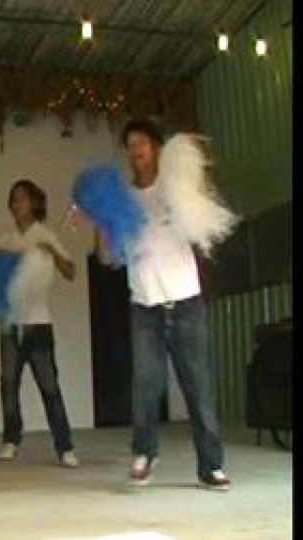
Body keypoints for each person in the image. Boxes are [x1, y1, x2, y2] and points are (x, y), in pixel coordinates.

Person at [97, 118, 230, 491]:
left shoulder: (176, 188)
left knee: (198, 388)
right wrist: (103, 222)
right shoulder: (123, 200)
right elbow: (106, 257)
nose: (135, 149)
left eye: (142, 142)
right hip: (144, 307)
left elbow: (202, 227)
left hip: (186, 303)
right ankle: (144, 453)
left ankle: (211, 465)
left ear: (157, 148)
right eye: (130, 144)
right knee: (145, 385)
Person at [0, 179, 79, 468]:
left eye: (22, 198)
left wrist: (53, 252)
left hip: (38, 323)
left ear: (35, 202)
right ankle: (11, 439)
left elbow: (71, 271)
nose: (17, 204)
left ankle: (65, 446)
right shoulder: (6, 240)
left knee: (49, 385)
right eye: (13, 199)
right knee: (8, 383)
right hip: (10, 324)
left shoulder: (45, 235)